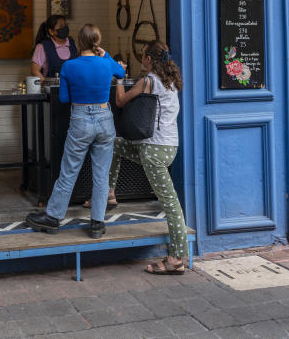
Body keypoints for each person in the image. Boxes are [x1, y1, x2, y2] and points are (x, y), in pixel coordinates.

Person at [26, 24, 124, 239]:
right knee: (101, 174)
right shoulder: (106, 64)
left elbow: (63, 98)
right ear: (97, 41)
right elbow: (121, 72)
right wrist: (106, 55)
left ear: (78, 42)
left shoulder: (70, 66)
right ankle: (97, 223)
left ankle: (53, 217)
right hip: (104, 118)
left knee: (69, 171)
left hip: (80, 119)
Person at [112, 40, 188, 275]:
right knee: (114, 144)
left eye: (143, 56)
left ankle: (176, 258)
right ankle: (109, 192)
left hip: (153, 150)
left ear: (150, 60)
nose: (141, 59)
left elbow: (121, 101)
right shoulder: (172, 81)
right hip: (167, 147)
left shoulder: (149, 81)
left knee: (170, 202)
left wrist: (119, 79)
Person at [30, 15, 78, 79]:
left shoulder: (73, 43)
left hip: (72, 87)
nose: (64, 28)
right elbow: (34, 71)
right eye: (60, 26)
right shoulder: (42, 46)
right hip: (52, 88)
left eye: (65, 25)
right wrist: (45, 83)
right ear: (51, 31)